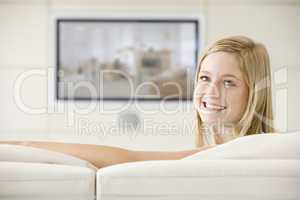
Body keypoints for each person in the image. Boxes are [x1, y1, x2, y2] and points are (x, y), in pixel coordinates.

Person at [0, 35, 275, 169]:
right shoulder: (243, 151)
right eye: (204, 78)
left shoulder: (242, 153)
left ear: (255, 92)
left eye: (229, 82)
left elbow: (127, 158)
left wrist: (21, 145)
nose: (211, 92)